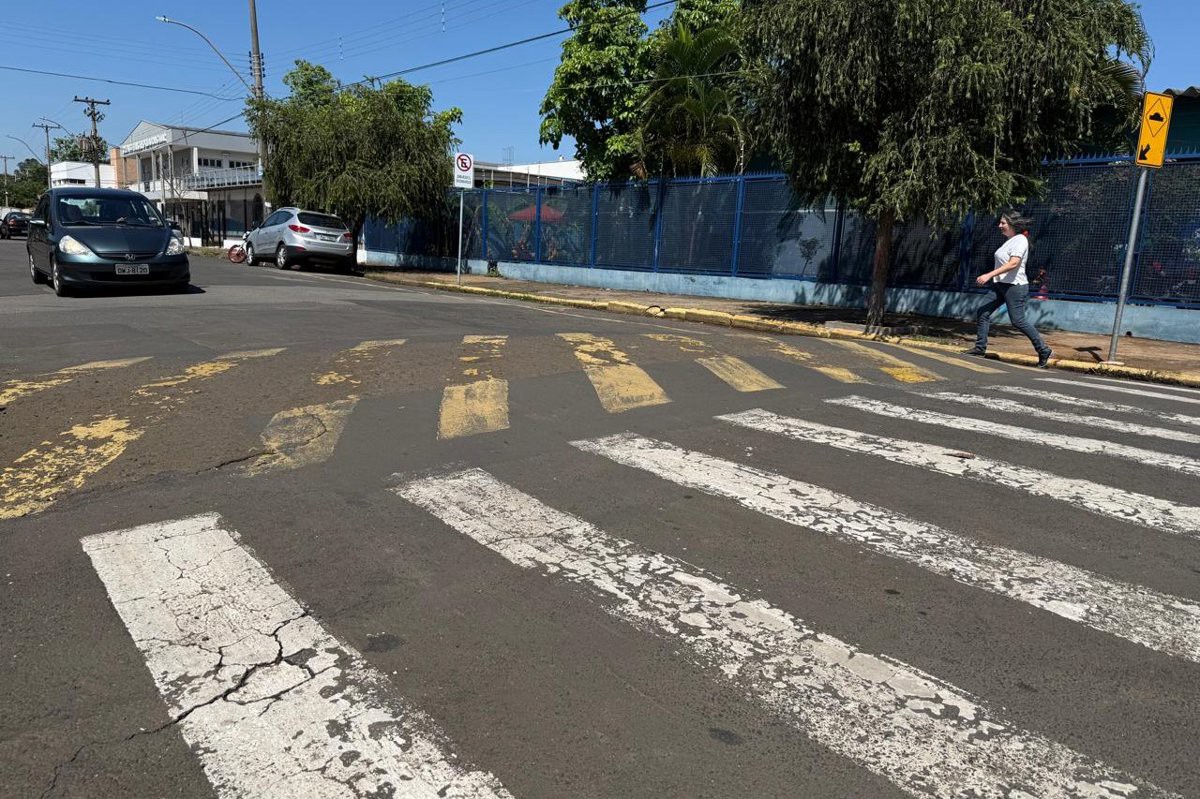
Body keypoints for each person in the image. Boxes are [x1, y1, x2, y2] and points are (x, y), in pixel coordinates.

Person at [965, 211, 1053, 368]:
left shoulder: (1020, 240)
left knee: (1018, 321)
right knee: (983, 312)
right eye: (1000, 223)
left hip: (1015, 287)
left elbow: (1013, 263)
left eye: (1003, 223)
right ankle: (980, 348)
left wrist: (988, 275)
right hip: (1000, 285)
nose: (999, 226)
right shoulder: (1009, 241)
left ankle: (1043, 350)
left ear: (1012, 224)